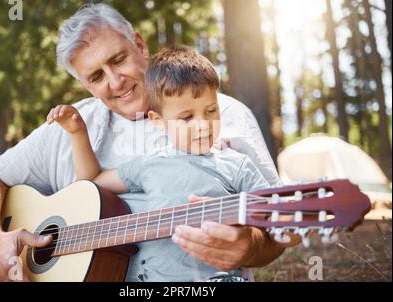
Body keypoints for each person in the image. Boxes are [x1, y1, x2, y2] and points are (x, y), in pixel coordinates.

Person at [0, 3, 285, 282]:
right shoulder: (66, 128)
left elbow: (276, 230)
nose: (115, 82)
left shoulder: (222, 115)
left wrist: (252, 246)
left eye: (117, 60)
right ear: (85, 85)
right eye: (96, 77)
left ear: (140, 45)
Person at [47, 45, 271, 281]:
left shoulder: (236, 165)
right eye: (186, 118)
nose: (203, 125)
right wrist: (78, 133)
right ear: (157, 120)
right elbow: (92, 183)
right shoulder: (150, 164)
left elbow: (277, 220)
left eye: (211, 111)